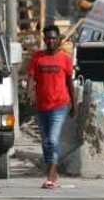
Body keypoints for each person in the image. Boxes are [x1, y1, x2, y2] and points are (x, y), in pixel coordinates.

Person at [27, 25, 76, 189]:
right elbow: (31, 78)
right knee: (46, 142)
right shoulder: (37, 57)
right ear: (44, 39)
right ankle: (52, 171)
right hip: (42, 106)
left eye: (54, 38)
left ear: (59, 40)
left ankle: (50, 175)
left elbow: (70, 83)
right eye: (48, 38)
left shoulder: (65, 59)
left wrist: (74, 105)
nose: (51, 41)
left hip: (59, 105)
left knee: (52, 140)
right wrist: (30, 93)